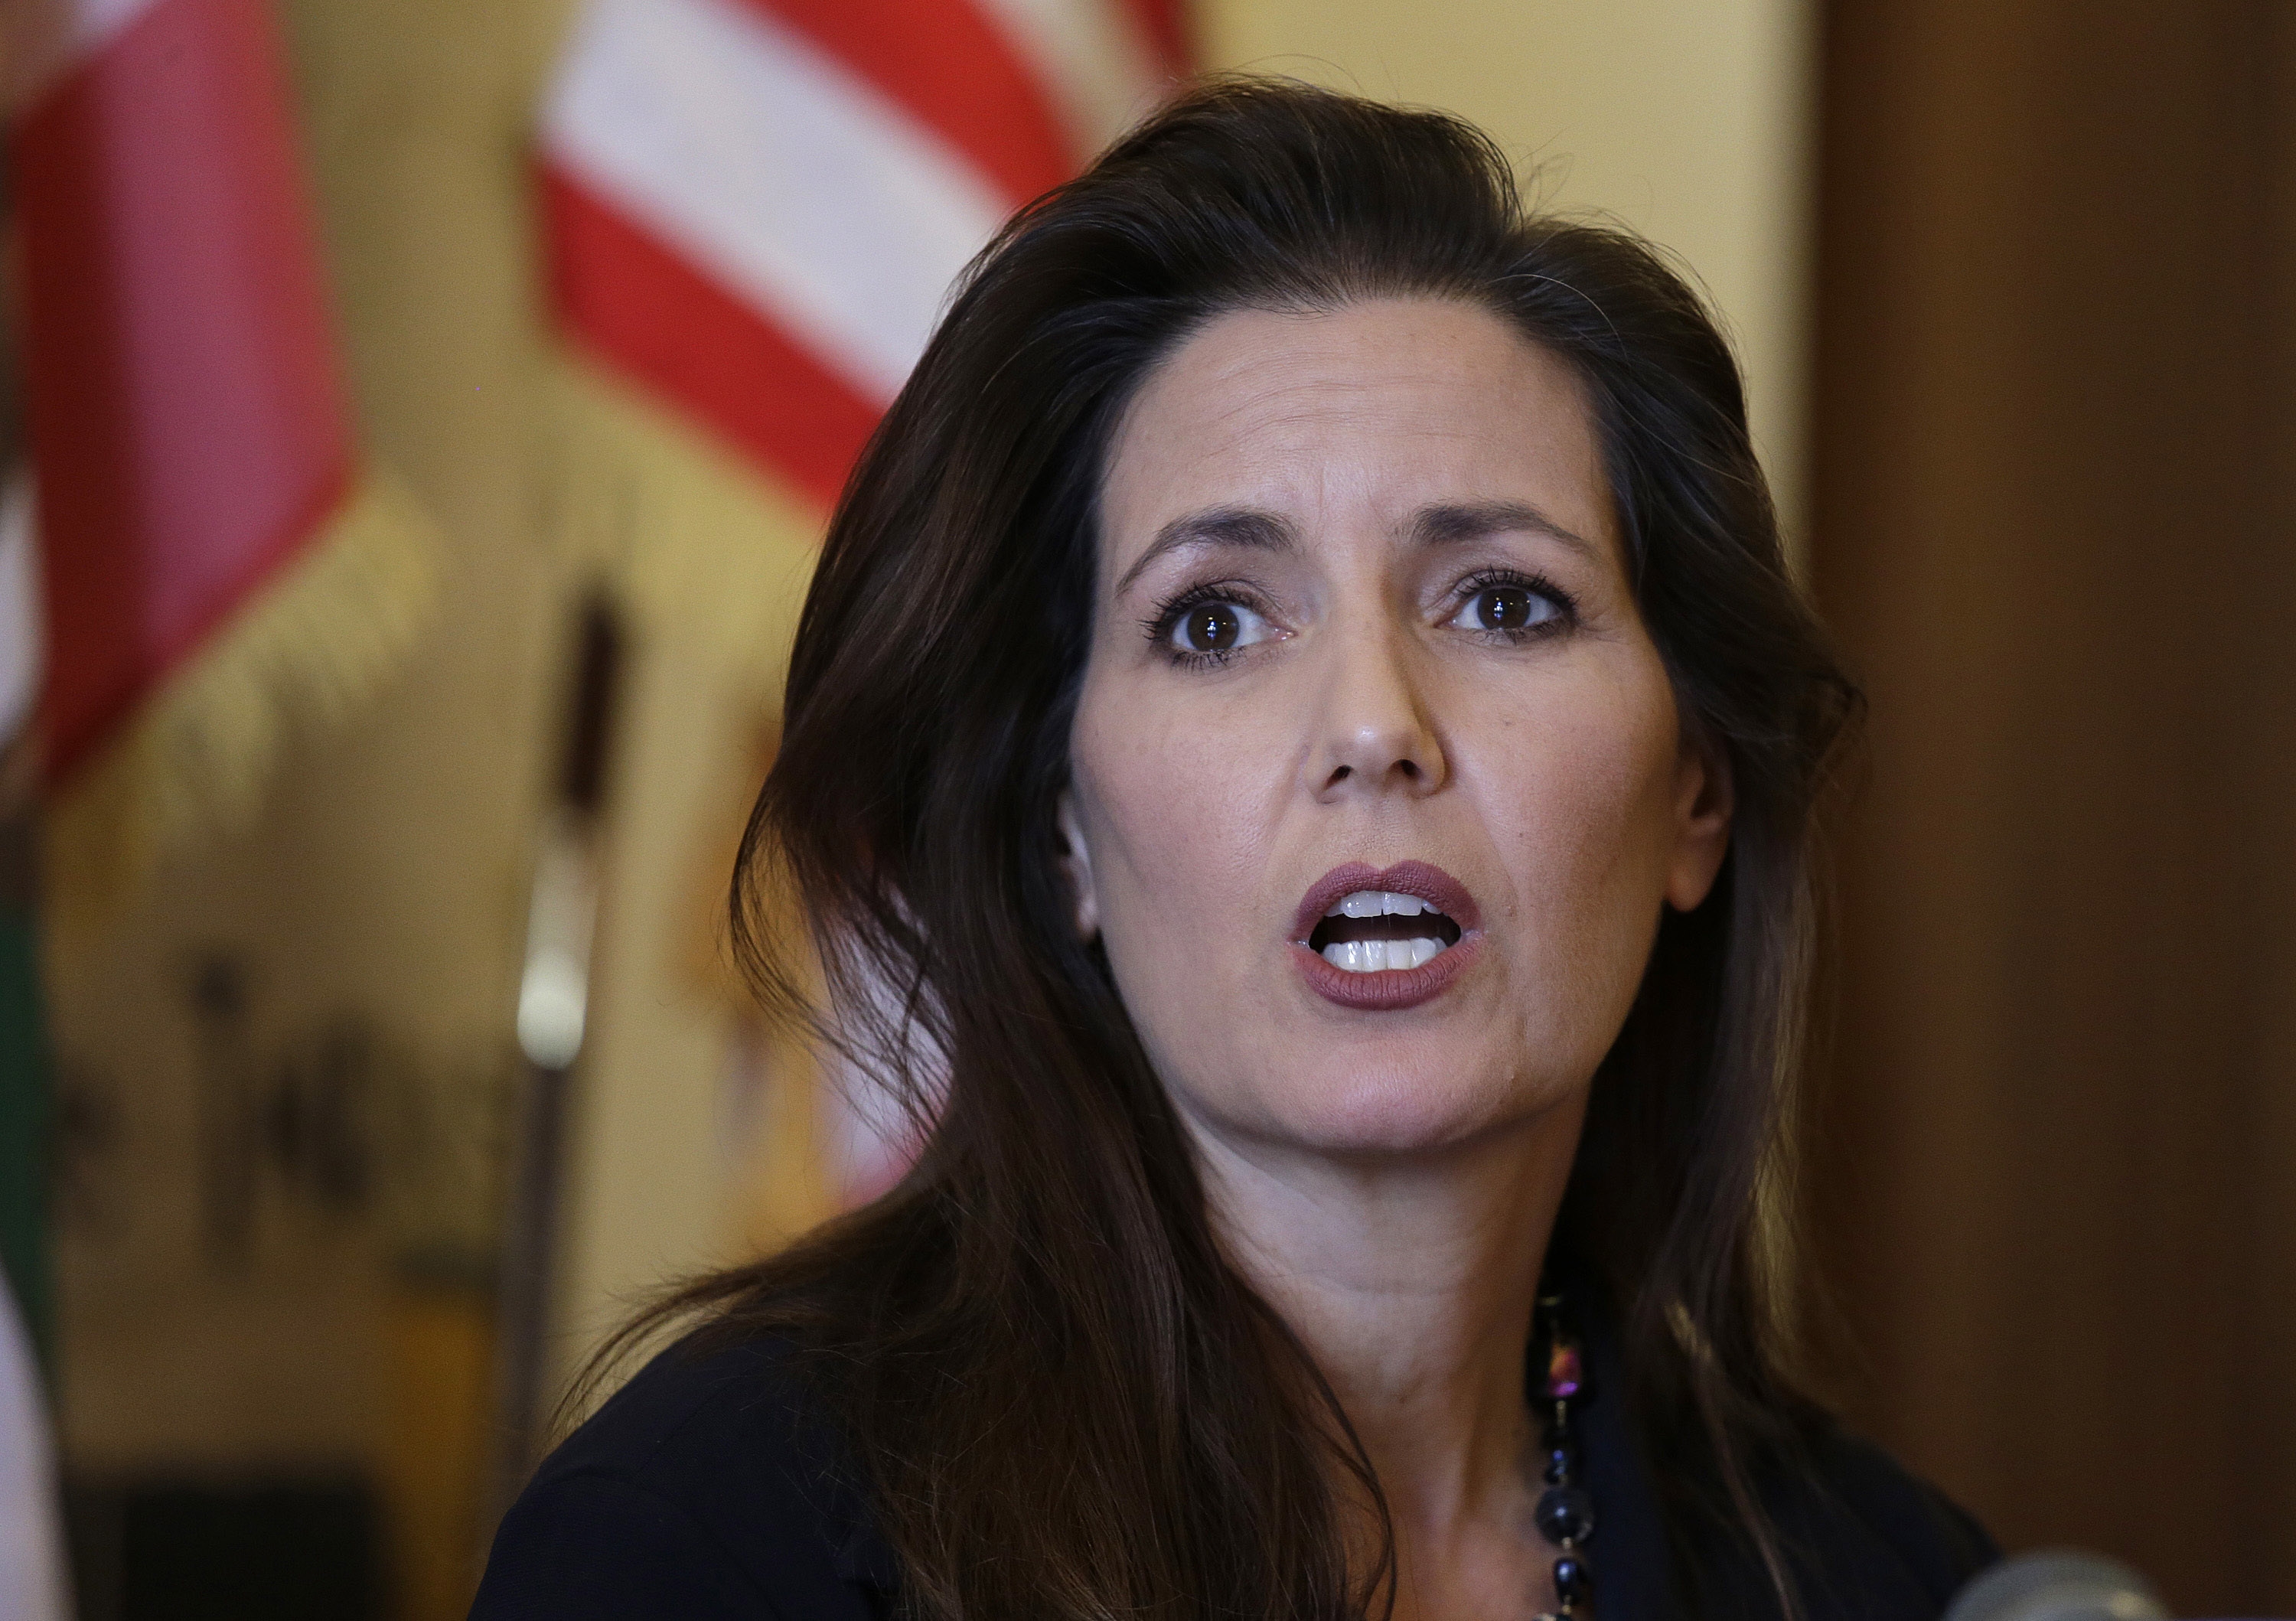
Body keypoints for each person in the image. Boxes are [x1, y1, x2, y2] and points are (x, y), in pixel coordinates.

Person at [471, 79, 1994, 1621]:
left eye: (1503, 601)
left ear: (1697, 794)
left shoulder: (1888, 1584)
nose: (1373, 725)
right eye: (1212, 622)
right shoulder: (705, 1545)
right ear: (1064, 829)